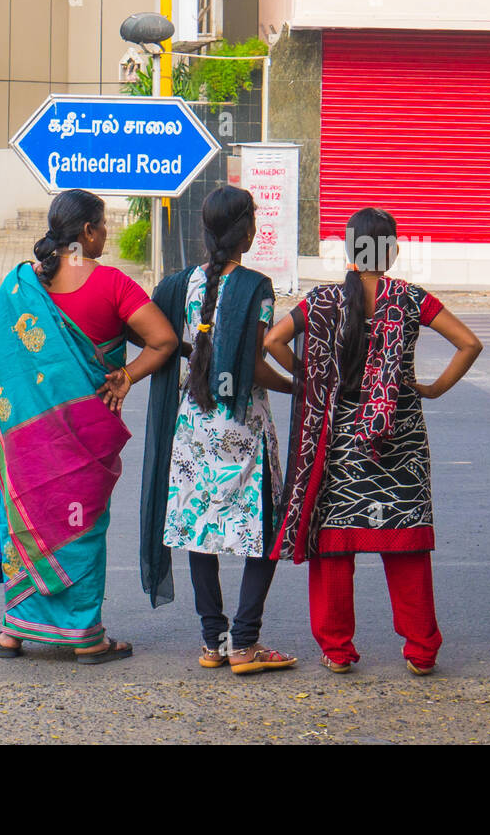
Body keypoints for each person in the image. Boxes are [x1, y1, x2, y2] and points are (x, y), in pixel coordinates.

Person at [264, 208, 482, 675]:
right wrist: (434, 388)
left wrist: (311, 376)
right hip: (398, 440)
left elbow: (273, 342)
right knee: (404, 542)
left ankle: (338, 651)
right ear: (394, 251)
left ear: (348, 250)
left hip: (339, 442)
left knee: (336, 545)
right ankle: (421, 651)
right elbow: (469, 343)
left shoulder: (322, 301)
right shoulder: (409, 298)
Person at [0, 189, 179, 663]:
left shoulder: (19, 287)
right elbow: (163, 341)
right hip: (83, 439)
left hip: (24, 443)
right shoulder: (114, 286)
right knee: (79, 530)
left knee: (24, 522)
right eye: (103, 225)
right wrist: (125, 375)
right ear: (87, 232)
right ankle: (86, 637)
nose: (106, 233)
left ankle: (13, 632)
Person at [139, 185, 297, 674]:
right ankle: (245, 644)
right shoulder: (256, 286)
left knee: (198, 528)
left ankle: (214, 642)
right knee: (264, 529)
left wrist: (192, 358)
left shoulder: (178, 284)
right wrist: (300, 386)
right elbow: (253, 364)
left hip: (192, 424)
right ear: (246, 230)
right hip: (241, 424)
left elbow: (146, 331)